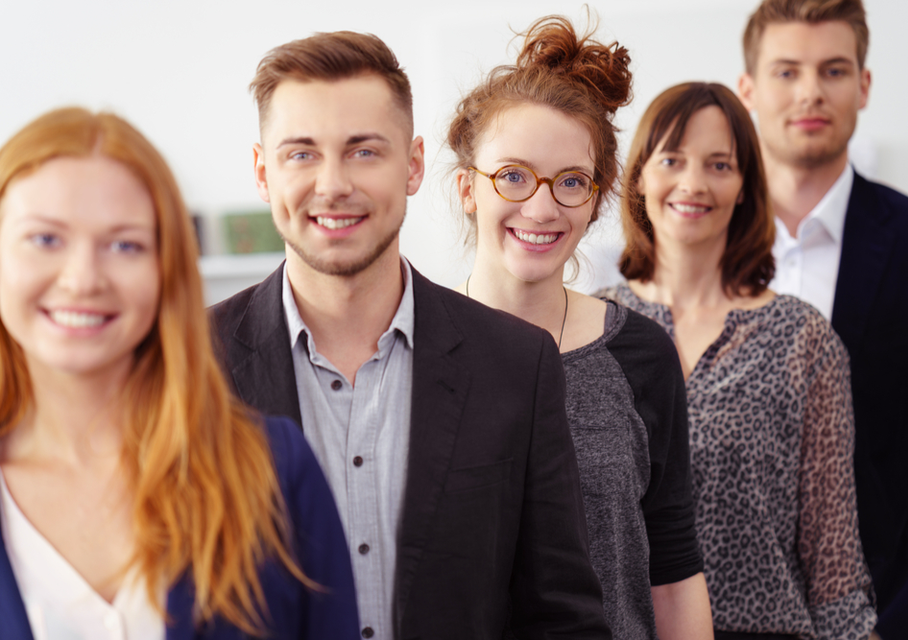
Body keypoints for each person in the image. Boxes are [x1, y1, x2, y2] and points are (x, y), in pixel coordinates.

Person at [210, 31, 609, 640]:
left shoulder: (517, 364)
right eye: (301, 154)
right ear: (264, 172)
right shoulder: (189, 363)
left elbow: (560, 617)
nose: (334, 184)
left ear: (414, 164)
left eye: (364, 151)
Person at [0, 107, 358, 639]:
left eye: (125, 245)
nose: (82, 280)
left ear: (165, 272)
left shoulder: (274, 471)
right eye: (45, 239)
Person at [446, 16, 711, 640]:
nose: (541, 207)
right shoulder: (416, 344)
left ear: (596, 200)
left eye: (570, 182)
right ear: (467, 189)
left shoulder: (640, 353)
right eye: (512, 175)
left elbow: (672, 567)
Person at [597, 81, 876, 639]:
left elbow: (834, 556)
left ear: (747, 184)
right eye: (672, 159)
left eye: (720, 164)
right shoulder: (592, 328)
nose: (694, 183)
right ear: (640, 176)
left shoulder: (802, 338)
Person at [737, 1, 908, 637]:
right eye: (786, 71)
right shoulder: (701, 250)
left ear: (863, 85)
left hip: (896, 613)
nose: (810, 91)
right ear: (747, 88)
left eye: (833, 70)